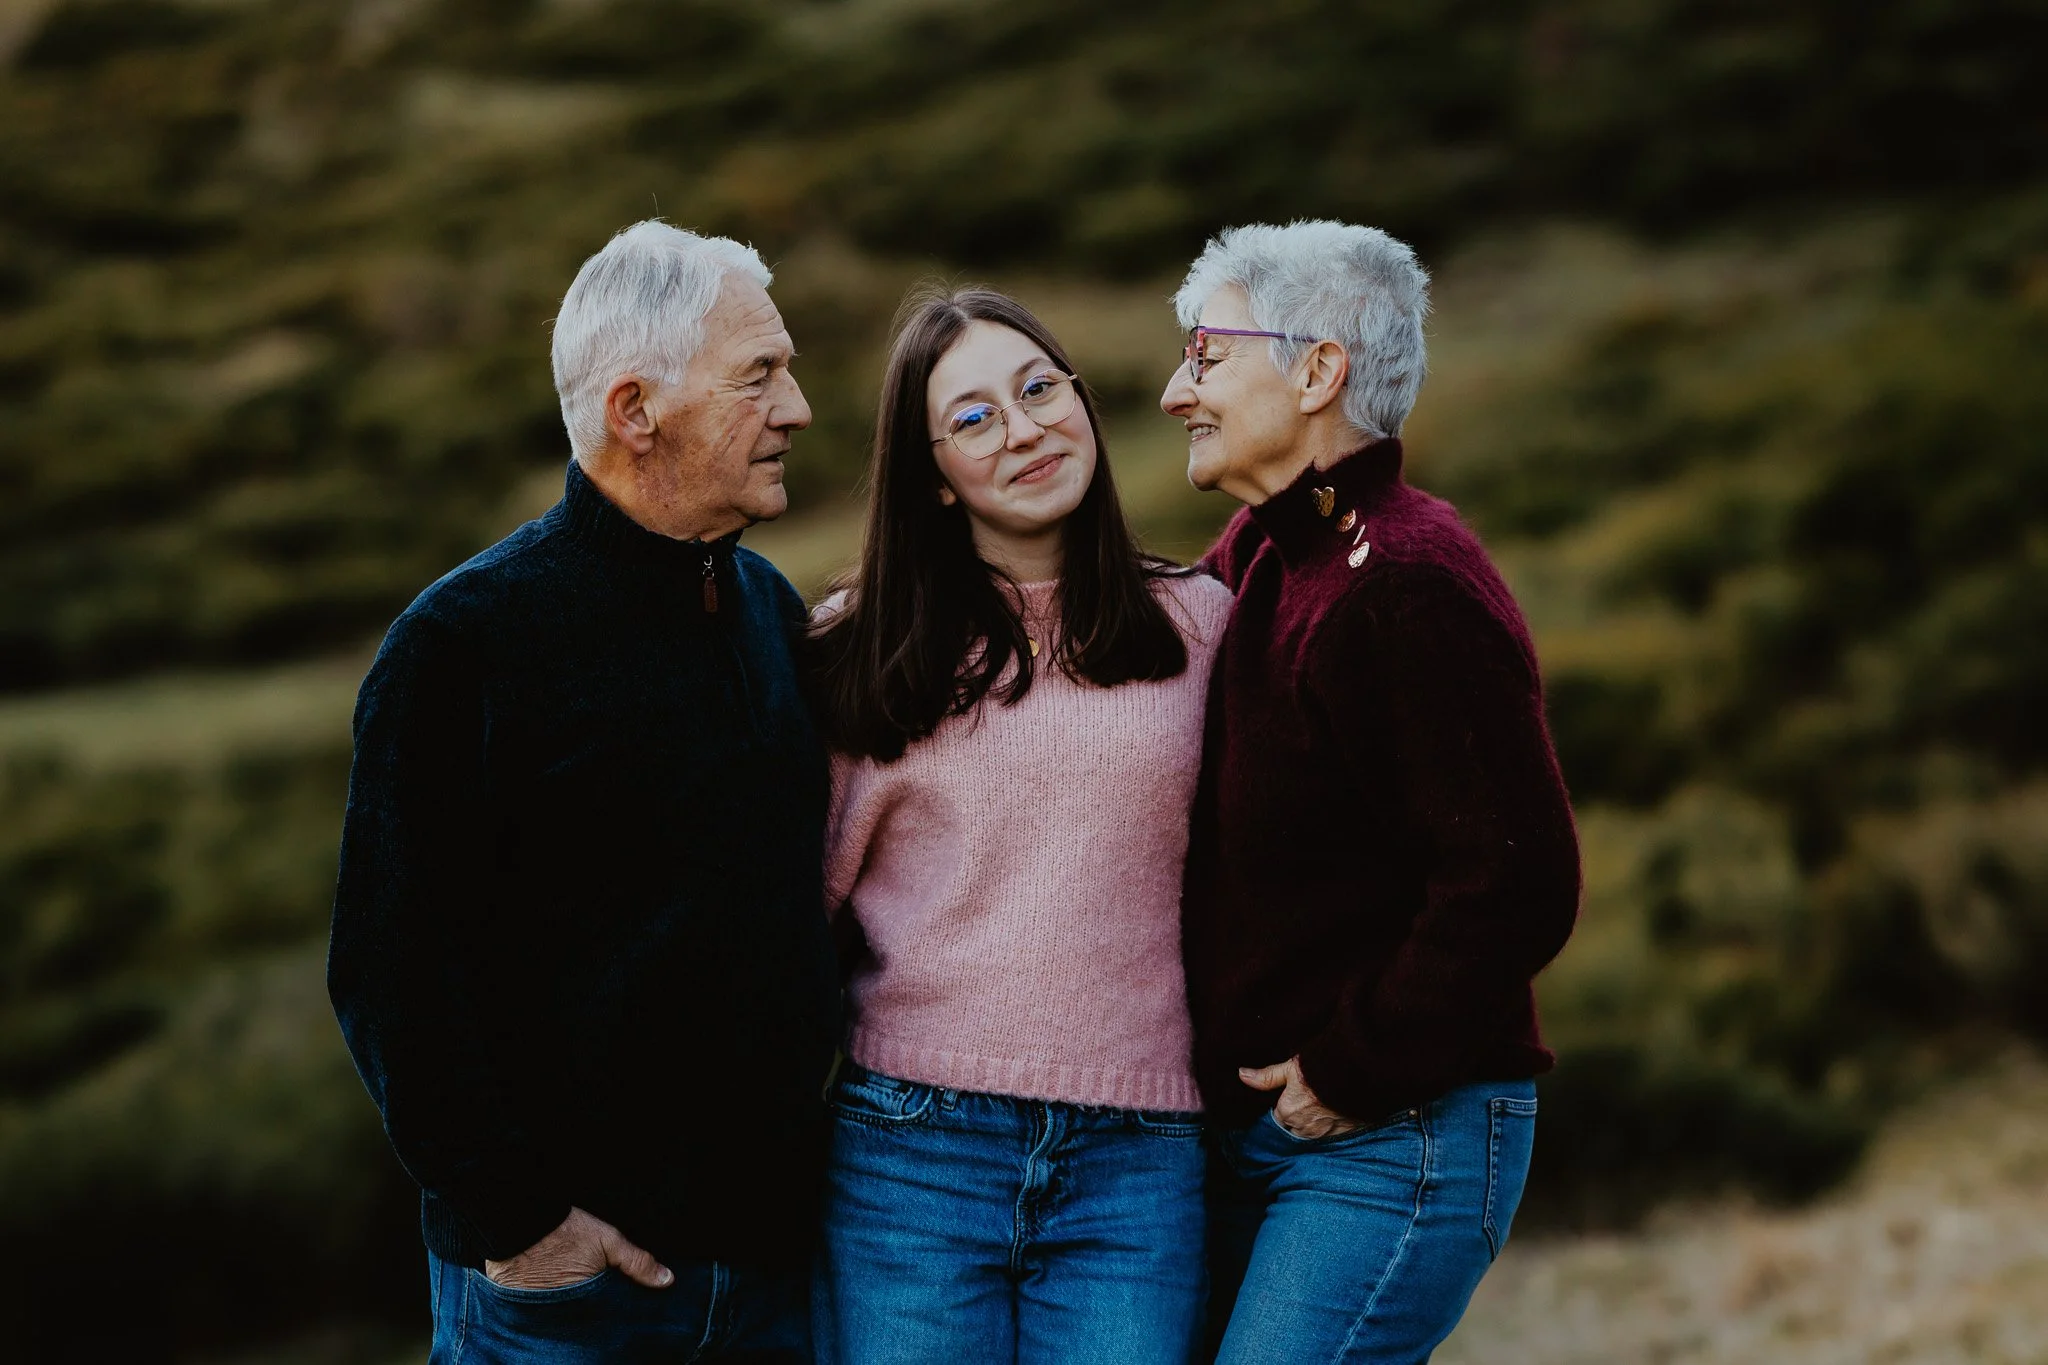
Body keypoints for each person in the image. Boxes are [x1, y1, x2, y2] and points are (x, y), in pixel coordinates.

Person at [328, 221, 840, 1364]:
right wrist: (521, 1225)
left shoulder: (764, 608)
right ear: (633, 410)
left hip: (771, 1277)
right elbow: (387, 970)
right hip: (565, 1299)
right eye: (759, 375)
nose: (798, 408)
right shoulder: (463, 644)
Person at [1160, 221, 1582, 1363]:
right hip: (1268, 1131)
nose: (1170, 392)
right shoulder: (1265, 547)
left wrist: (1352, 1067)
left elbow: (1517, 881)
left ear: (1315, 371)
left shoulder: (1402, 582)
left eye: (1204, 356)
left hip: (1393, 1130)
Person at [805, 287, 1235, 1364]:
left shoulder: (1200, 625)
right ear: (933, 479)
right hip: (910, 1153)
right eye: (973, 418)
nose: (1025, 428)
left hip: (1137, 1164)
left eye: (1039, 389)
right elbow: (786, 906)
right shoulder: (853, 648)